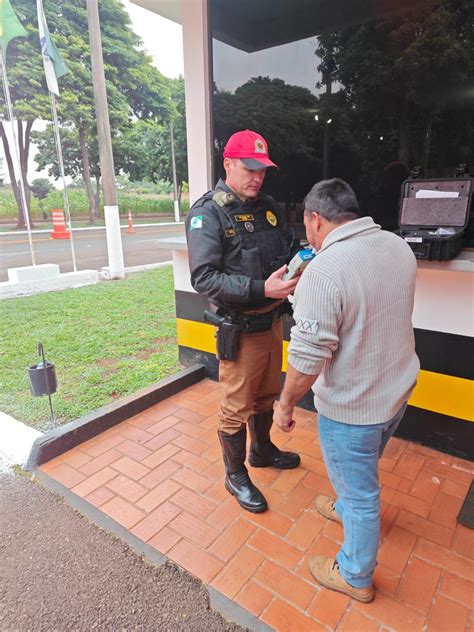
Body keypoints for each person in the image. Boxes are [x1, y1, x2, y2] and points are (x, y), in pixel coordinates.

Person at [274, 178, 420, 602]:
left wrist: (285, 405)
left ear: (315, 220)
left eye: (307, 227)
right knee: (362, 468)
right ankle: (345, 505)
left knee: (361, 497)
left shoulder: (324, 269)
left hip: (352, 408)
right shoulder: (397, 247)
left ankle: (355, 575)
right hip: (396, 393)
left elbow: (307, 355)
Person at [185, 129, 302, 514]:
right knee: (236, 405)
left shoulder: (269, 207)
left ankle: (262, 450)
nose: (257, 177)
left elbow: (285, 249)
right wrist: (260, 289)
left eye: (262, 170)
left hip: (272, 323)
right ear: (229, 165)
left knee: (267, 394)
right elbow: (203, 278)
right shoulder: (208, 213)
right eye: (249, 169)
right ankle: (234, 475)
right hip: (242, 328)